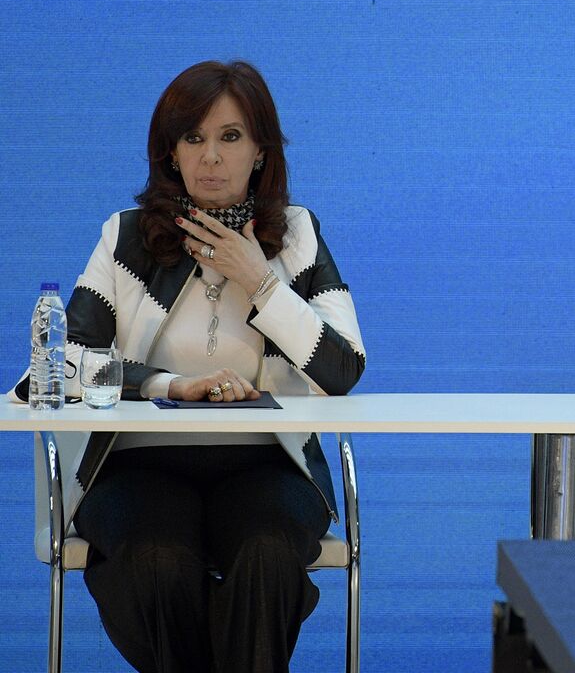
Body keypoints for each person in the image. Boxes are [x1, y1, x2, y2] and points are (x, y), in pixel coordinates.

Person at [9, 60, 366, 671]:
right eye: (193, 138)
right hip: (137, 465)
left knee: (266, 552)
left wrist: (259, 279)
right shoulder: (126, 237)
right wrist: (170, 385)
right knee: (157, 561)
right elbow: (60, 364)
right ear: (171, 152)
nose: (210, 157)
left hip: (267, 464)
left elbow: (344, 368)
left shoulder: (297, 236)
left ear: (260, 150)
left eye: (230, 136)